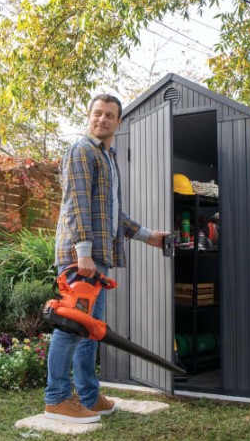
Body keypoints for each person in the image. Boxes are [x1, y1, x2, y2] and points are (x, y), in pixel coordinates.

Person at [44, 94, 168, 423]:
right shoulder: (82, 150)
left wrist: (149, 235)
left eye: (109, 115)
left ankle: (87, 396)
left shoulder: (108, 157)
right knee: (71, 327)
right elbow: (76, 204)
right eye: (97, 113)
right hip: (79, 257)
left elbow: (112, 214)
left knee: (91, 330)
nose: (102, 119)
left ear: (118, 122)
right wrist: (83, 252)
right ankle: (56, 398)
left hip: (97, 257)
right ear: (89, 116)